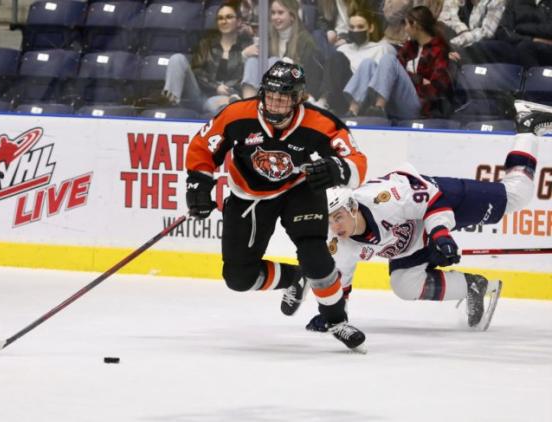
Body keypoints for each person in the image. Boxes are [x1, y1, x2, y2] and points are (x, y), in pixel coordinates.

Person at [305, 100, 551, 334]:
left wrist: (440, 235)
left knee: (518, 194)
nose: (335, 227)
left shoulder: (384, 198)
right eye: (330, 220)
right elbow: (342, 282)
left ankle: (527, 127)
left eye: (338, 217)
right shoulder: (340, 242)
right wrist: (334, 316)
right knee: (403, 284)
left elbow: (434, 202)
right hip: (414, 244)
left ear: (352, 208)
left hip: (439, 199)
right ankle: (473, 286)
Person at [185, 61, 368, 352]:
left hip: (300, 189)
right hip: (248, 194)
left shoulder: (322, 124)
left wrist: (337, 170)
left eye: (284, 98)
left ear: (299, 98)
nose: (276, 103)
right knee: (238, 278)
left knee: (316, 257)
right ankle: (295, 278)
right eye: (271, 95)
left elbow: (357, 161)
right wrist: (198, 183)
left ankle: (336, 320)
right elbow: (203, 147)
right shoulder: (236, 115)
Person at [343, 5, 452, 119]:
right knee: (368, 63)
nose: (405, 29)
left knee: (389, 59)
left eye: (406, 24)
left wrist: (414, 80)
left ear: (415, 25)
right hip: (398, 100)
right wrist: (418, 79)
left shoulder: (439, 50)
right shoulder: (410, 46)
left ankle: (379, 108)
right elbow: (395, 71)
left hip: (420, 105)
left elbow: (438, 89)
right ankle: (353, 110)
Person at [161, 2, 251, 115]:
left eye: (229, 17)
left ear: (238, 21)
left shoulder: (246, 47)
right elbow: (197, 71)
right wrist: (216, 87)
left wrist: (229, 91)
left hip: (229, 97)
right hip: (200, 95)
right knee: (177, 59)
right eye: (220, 18)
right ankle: (171, 101)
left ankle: (228, 107)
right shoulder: (207, 43)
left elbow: (246, 78)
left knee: (223, 105)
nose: (224, 21)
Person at [316, 6, 395, 115]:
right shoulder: (342, 49)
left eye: (360, 26)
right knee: (336, 57)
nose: (355, 30)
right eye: (352, 27)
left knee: (367, 64)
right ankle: (324, 101)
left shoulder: (382, 48)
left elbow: (385, 79)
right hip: (344, 97)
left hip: (368, 97)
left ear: (371, 28)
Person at [240, 0, 324, 99]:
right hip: (266, 89)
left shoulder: (305, 40)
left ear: (292, 16)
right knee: (252, 61)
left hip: (294, 92)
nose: (275, 17)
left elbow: (312, 75)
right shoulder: (268, 38)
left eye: (280, 13)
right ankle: (249, 103)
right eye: (273, 13)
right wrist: (244, 54)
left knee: (274, 61)